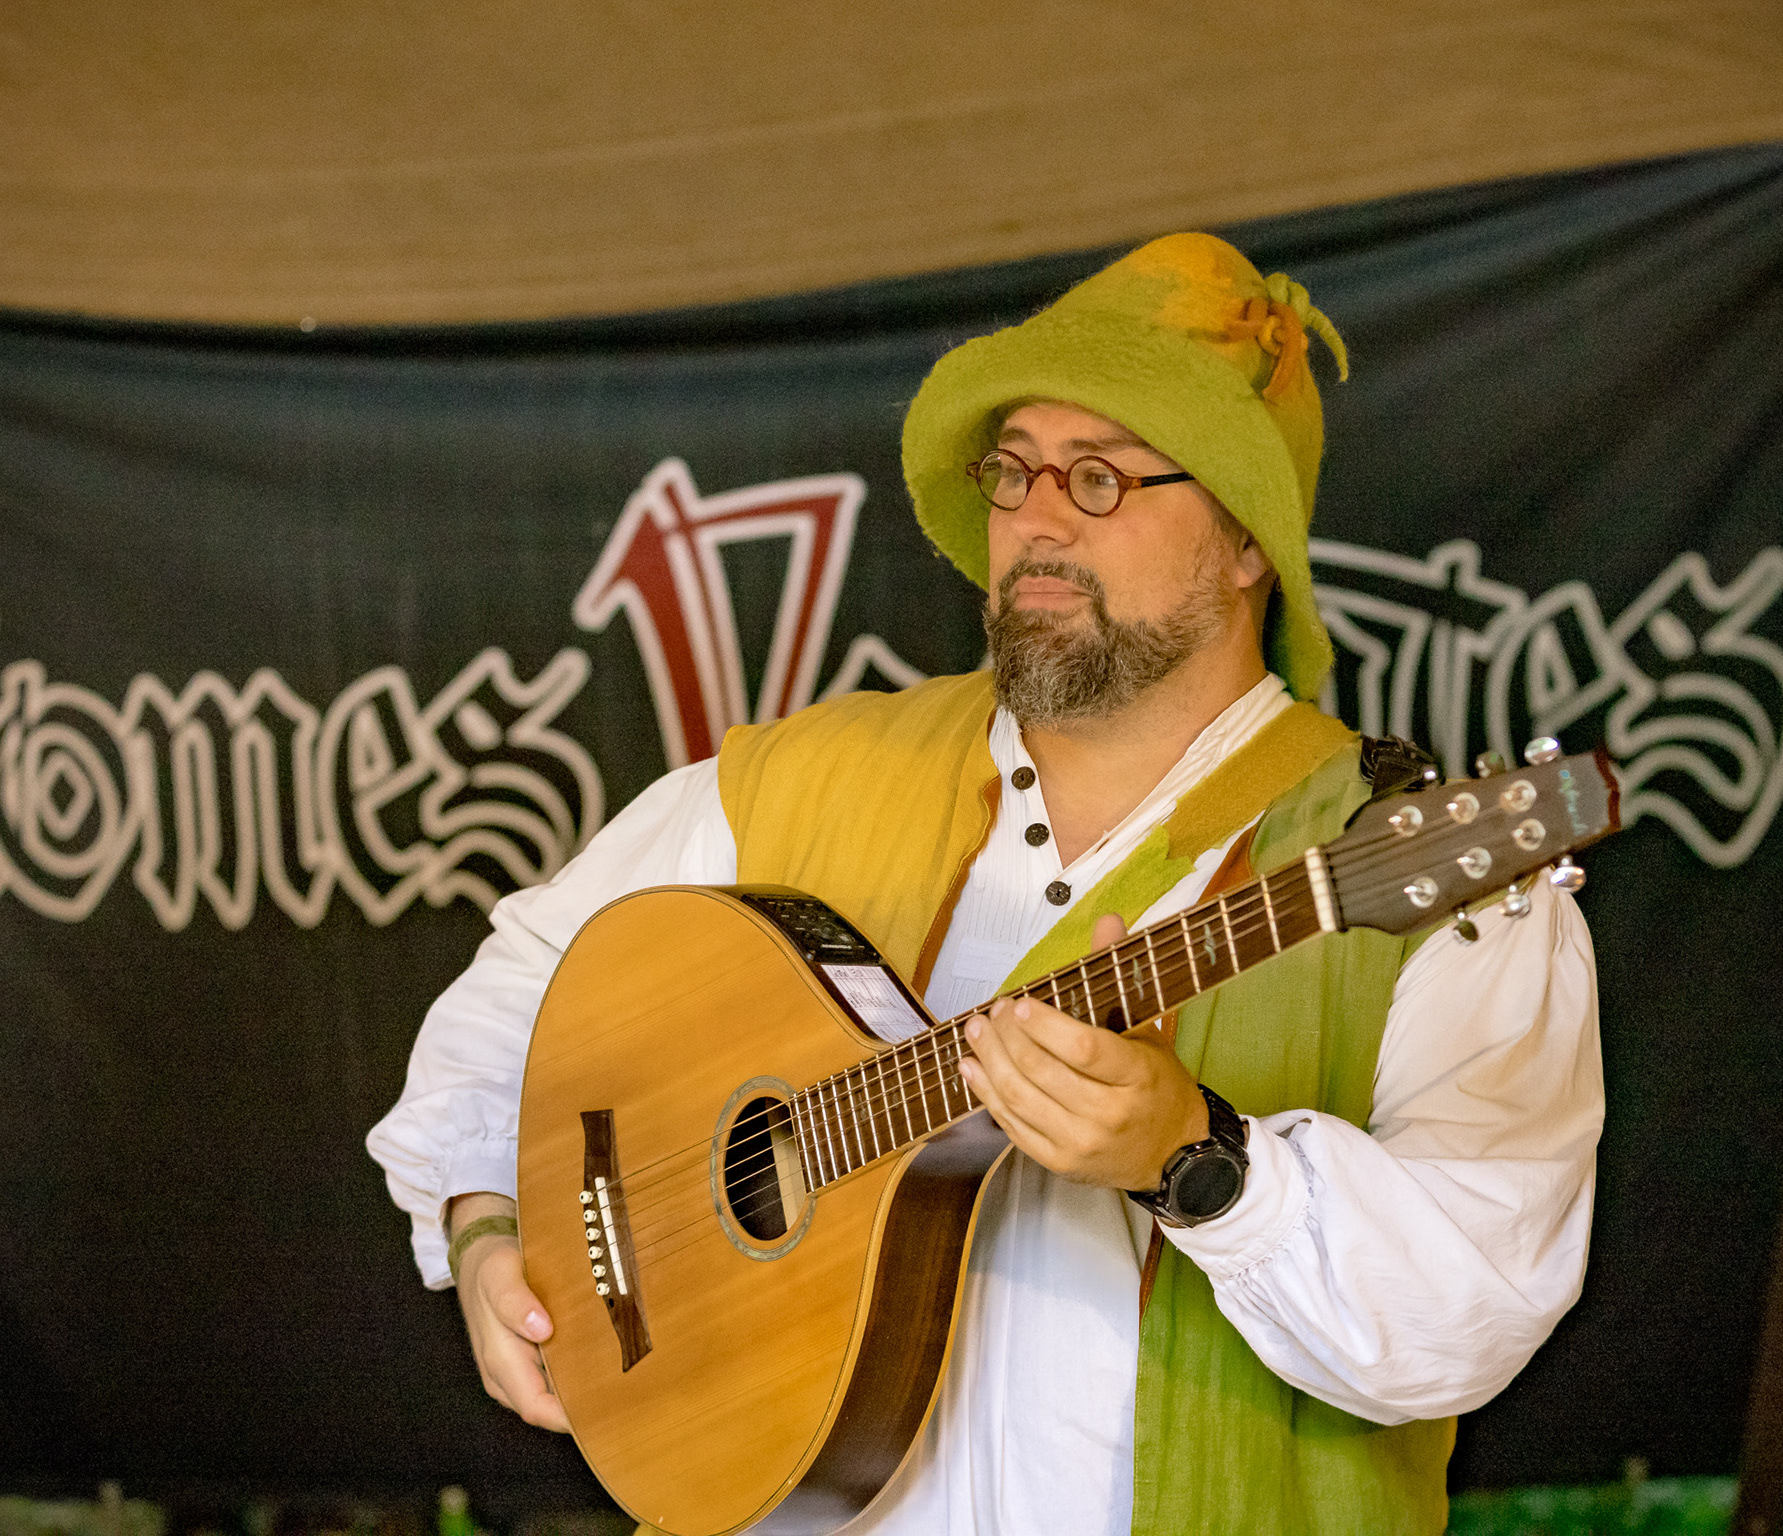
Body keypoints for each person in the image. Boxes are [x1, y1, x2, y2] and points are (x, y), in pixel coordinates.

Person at [368, 231, 1602, 1535]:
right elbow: (524, 989)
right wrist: (485, 1218)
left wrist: (1200, 1161)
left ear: (1247, 542)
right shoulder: (804, 777)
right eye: (1013, 473)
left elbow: (1474, 1307)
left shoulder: (1417, 868)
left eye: (1099, 478)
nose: (1037, 519)